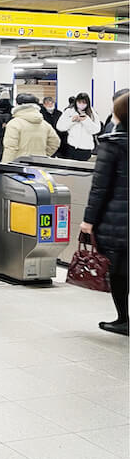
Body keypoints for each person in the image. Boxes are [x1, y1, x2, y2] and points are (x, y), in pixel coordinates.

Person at [81, 92, 128, 335]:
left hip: (118, 221)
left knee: (120, 272)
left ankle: (123, 319)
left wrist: (88, 221)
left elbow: (100, 188)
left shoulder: (112, 145)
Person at [2, 94, 61, 163]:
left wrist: (6, 165)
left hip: (19, 165)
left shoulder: (14, 124)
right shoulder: (45, 124)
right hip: (39, 164)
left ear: (17, 105)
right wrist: (43, 155)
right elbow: (55, 142)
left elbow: (10, 148)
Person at [56, 92, 102, 161]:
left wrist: (86, 120)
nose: (81, 105)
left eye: (84, 103)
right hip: (71, 147)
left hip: (86, 148)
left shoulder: (92, 113)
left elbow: (96, 130)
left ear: (87, 103)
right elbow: (60, 127)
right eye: (79, 102)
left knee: (83, 169)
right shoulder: (69, 111)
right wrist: (72, 120)